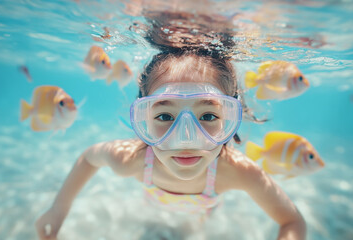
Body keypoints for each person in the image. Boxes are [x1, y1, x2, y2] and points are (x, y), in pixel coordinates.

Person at [35, 10, 306, 240]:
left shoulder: (239, 172)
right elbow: (88, 159)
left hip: (203, 213)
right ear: (143, 118)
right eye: (165, 117)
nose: (185, 138)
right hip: (151, 205)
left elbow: (292, 221)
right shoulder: (132, 159)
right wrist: (59, 208)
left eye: (208, 116)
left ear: (231, 117)